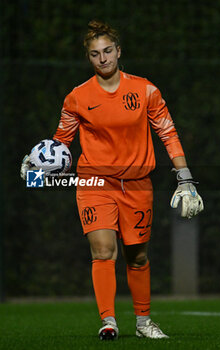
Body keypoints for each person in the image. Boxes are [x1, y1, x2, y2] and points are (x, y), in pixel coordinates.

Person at [21, 20, 204, 340]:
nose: (103, 58)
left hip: (137, 185)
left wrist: (185, 177)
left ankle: (144, 322)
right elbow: (60, 145)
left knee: (138, 255)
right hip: (94, 183)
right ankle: (108, 321)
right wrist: (37, 170)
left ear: (119, 52)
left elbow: (167, 132)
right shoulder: (77, 97)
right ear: (88, 58)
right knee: (103, 251)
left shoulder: (146, 90)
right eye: (95, 54)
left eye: (108, 51)